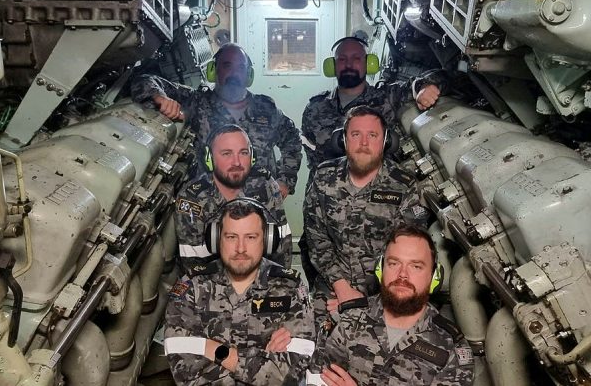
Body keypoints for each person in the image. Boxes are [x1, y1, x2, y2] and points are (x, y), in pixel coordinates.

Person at [304, 105, 431, 329]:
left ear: (385, 142)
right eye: (356, 135)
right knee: (309, 337)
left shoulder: (404, 184)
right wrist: (342, 289)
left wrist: (365, 302)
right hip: (333, 284)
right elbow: (317, 240)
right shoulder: (324, 178)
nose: (363, 143)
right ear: (344, 140)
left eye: (372, 135)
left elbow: (407, 254)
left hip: (386, 291)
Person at [164, 198, 316, 385]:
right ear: (216, 238)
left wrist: (218, 352)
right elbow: (185, 370)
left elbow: (289, 373)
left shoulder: (291, 287)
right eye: (231, 237)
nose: (241, 248)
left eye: (251, 237)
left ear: (267, 240)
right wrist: (262, 360)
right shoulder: (191, 287)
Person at [310, 225, 474, 386]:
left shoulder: (451, 349)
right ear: (381, 269)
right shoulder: (344, 321)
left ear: (434, 277)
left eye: (416, 266)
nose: (403, 274)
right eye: (394, 263)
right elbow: (318, 380)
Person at [131, 43, 302, 197]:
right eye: (227, 65)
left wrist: (285, 181)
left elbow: (292, 140)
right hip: (210, 205)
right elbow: (144, 80)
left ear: (249, 75)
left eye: (241, 67)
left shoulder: (266, 109)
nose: (234, 73)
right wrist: (160, 97)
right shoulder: (197, 101)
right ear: (213, 71)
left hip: (259, 203)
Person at [301, 36, 447, 173]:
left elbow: (443, 76)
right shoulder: (314, 109)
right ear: (332, 66)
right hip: (329, 193)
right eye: (342, 59)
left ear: (369, 64)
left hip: (375, 194)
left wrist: (422, 87)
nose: (349, 64)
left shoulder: (387, 97)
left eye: (356, 58)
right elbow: (314, 163)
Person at [174, 124, 291, 273]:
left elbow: (282, 246)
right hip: (213, 286)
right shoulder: (192, 198)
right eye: (226, 153)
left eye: (243, 153)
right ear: (209, 158)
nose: (236, 162)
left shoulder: (265, 184)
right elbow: (195, 268)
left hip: (262, 278)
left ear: (252, 156)